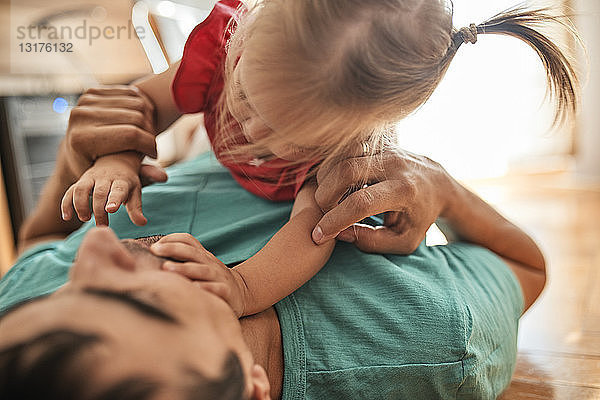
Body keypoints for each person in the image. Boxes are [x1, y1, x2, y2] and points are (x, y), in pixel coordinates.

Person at [59, 0, 577, 318]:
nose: (252, 128)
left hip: (289, 200)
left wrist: (242, 287)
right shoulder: (224, 42)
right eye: (246, 94)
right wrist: (118, 162)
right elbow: (147, 102)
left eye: (284, 132)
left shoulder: (348, 153)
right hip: (214, 168)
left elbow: (311, 231)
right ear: (244, 35)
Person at [0, 133, 543, 399]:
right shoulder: (434, 341)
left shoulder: (24, 328)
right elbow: (525, 264)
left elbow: (42, 246)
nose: (95, 253)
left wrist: (84, 155)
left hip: (209, 136)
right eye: (141, 299)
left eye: (68, 294)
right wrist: (442, 189)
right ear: (253, 389)